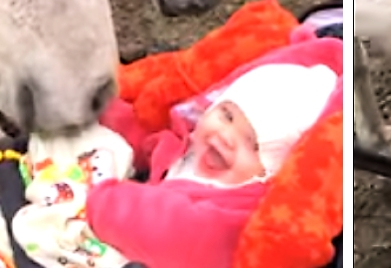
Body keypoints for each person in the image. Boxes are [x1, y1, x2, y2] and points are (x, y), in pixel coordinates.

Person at [86, 38, 342, 268]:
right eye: (227, 115)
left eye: (252, 143)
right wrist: (103, 114)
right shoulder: (187, 142)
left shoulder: (233, 219)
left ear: (274, 172)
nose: (226, 136)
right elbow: (151, 141)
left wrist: (106, 203)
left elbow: (172, 233)